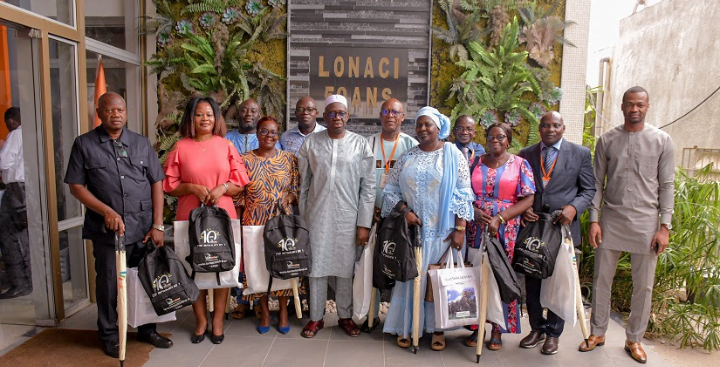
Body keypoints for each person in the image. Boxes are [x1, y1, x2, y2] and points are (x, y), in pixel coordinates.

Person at [65, 92, 173, 357]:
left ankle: (147, 330)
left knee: (146, 280)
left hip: (143, 229)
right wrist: (106, 211)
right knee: (109, 284)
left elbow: (156, 183)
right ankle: (110, 335)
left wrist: (158, 225)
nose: (116, 114)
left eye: (120, 110)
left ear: (126, 112)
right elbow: (76, 186)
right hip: (107, 232)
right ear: (99, 113)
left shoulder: (140, 143)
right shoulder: (84, 144)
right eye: (110, 110)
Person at [581, 86, 674, 364]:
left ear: (648, 107)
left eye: (640, 105)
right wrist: (594, 221)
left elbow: (667, 185)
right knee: (601, 280)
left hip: (646, 223)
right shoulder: (607, 140)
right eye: (630, 104)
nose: (635, 109)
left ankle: (634, 339)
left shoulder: (662, 140)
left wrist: (664, 226)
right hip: (611, 220)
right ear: (622, 106)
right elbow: (597, 183)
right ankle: (598, 332)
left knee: (643, 286)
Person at [381, 106, 474, 351]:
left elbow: (463, 193)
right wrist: (405, 211)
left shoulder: (452, 155)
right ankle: (408, 325)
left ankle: (438, 329)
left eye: (428, 125)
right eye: (419, 125)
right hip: (411, 234)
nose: (422, 129)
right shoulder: (408, 156)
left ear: (438, 127)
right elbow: (390, 191)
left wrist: (460, 228)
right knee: (412, 278)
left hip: (443, 233)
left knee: (439, 281)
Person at [163, 96, 249, 345]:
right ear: (191, 118)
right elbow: (170, 185)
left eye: (209, 114)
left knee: (222, 268)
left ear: (217, 118)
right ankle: (201, 321)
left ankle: (218, 321)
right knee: (194, 269)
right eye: (199, 114)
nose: (205, 119)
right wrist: (191, 187)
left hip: (222, 217)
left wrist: (222, 188)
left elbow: (239, 183)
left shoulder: (226, 146)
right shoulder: (180, 146)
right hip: (190, 218)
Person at [297, 94, 375, 338]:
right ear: (324, 117)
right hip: (316, 217)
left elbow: (369, 187)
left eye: (341, 113)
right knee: (316, 267)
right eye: (332, 113)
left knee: (345, 269)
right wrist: (302, 220)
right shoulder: (311, 143)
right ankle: (316, 318)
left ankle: (344, 316)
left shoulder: (361, 144)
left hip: (348, 217)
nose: (337, 117)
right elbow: (303, 185)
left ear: (348, 116)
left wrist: (363, 223)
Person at [517, 111, 596, 355]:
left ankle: (553, 332)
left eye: (556, 125)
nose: (551, 129)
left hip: (562, 227)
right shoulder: (526, 154)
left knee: (558, 282)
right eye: (546, 125)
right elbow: (519, 189)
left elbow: (588, 189)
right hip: (534, 227)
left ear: (564, 128)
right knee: (532, 281)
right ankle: (536, 328)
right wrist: (524, 208)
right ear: (539, 128)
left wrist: (573, 208)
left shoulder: (580, 153)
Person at [464, 122, 535, 350]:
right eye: (491, 136)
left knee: (500, 276)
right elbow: (462, 191)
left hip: (505, 229)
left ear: (509, 140)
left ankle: (498, 328)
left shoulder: (520, 164)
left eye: (500, 137)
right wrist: (472, 211)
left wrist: (500, 218)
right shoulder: (474, 162)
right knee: (475, 275)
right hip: (475, 227)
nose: (495, 140)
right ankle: (477, 326)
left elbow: (528, 199)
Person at [237, 116, 304, 335]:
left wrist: (290, 198)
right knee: (257, 269)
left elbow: (296, 189)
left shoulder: (289, 159)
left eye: (274, 132)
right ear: (257, 133)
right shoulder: (244, 159)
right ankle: (264, 311)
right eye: (264, 131)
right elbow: (238, 194)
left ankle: (283, 311)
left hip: (281, 223)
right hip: (254, 221)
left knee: (284, 265)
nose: (269, 136)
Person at [363, 98, 418, 330]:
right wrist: (369, 209)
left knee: (398, 264)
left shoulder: (411, 145)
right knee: (371, 266)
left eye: (395, 112)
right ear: (380, 115)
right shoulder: (368, 143)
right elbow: (362, 180)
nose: (390, 115)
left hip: (399, 218)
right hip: (372, 215)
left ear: (402, 117)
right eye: (386, 111)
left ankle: (398, 321)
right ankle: (370, 316)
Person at [0, 107, 31, 299]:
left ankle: (19, 284)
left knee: (9, 236)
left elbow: (3, 162)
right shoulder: (32, 134)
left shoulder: (15, 135)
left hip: (15, 189)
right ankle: (29, 281)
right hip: (29, 189)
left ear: (11, 121)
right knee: (25, 236)